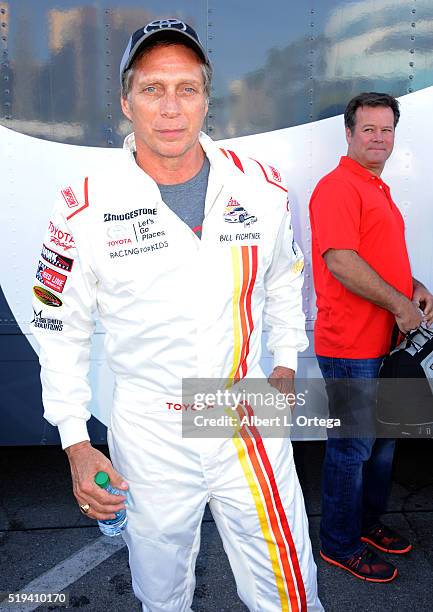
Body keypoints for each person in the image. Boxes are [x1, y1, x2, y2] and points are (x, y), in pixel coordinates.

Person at [31, 18, 323, 611]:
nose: (170, 108)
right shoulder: (83, 209)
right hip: (148, 427)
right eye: (152, 88)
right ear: (126, 101)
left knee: (289, 591)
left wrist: (287, 361)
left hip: (243, 410)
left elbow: (284, 280)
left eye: (186, 89)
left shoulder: (260, 191)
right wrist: (75, 443)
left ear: (206, 101)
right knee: (161, 594)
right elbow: (61, 333)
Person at [309, 92, 433, 582]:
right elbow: (340, 261)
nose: (379, 138)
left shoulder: (376, 188)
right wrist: (399, 304)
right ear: (349, 133)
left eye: (386, 130)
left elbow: (376, 256)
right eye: (369, 130)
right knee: (352, 448)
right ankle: (339, 543)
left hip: (385, 343)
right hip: (349, 346)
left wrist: (414, 288)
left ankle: (366, 525)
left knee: (383, 444)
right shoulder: (338, 187)